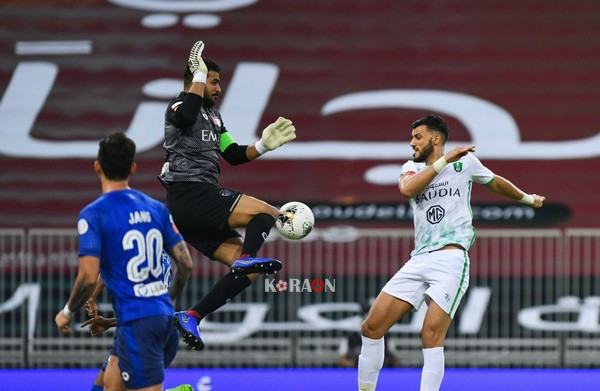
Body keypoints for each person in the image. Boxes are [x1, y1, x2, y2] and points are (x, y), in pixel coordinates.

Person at [357, 115, 545, 391]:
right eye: (411, 138)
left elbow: (494, 182)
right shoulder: (411, 167)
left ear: (435, 138)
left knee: (430, 335)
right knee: (371, 327)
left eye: (417, 137)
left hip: (451, 259)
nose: (412, 143)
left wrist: (528, 198)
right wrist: (444, 161)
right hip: (419, 259)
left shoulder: (465, 163)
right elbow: (408, 190)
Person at [158, 40, 296, 351]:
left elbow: (232, 153)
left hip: (196, 210)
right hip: (189, 193)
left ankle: (192, 315)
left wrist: (262, 146)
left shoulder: (214, 118)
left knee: (247, 275)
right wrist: (196, 77)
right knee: (267, 212)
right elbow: (184, 117)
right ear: (196, 79)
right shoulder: (180, 105)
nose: (220, 88)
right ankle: (247, 258)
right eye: (214, 81)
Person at [54, 132, 194, 391]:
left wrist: (67, 312)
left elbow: (87, 276)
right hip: (153, 321)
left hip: (139, 326)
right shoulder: (156, 209)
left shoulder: (94, 214)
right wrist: (168, 300)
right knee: (107, 384)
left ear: (97, 166)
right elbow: (185, 265)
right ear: (132, 168)